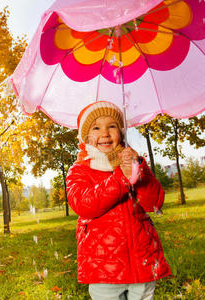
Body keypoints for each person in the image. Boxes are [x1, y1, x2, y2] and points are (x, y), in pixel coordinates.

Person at [66, 101, 171, 300]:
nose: (105, 133)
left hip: (142, 258)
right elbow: (85, 205)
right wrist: (120, 179)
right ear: (85, 136)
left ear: (121, 132)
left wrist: (138, 173)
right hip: (103, 266)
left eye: (112, 126)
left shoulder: (133, 161)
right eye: (96, 128)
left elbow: (154, 202)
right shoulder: (79, 170)